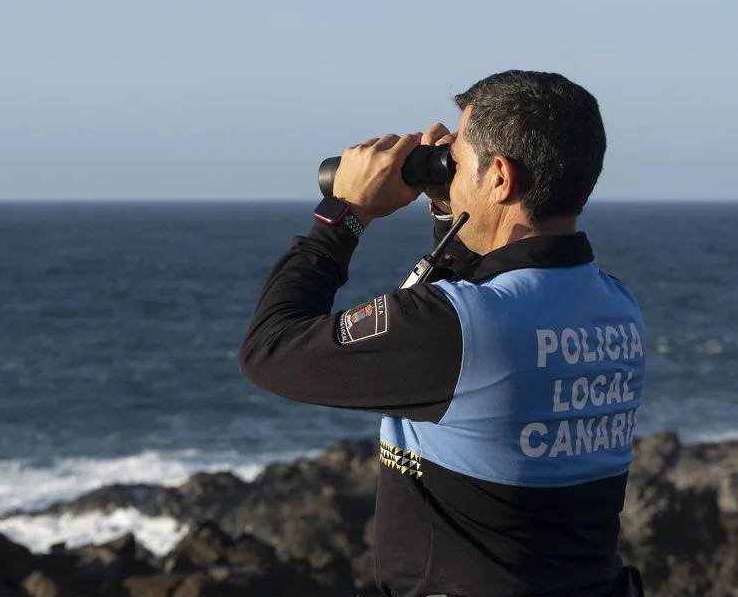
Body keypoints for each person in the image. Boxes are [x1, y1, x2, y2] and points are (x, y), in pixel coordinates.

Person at [238, 70, 646, 597]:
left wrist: (343, 216)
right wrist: (451, 204)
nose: (449, 169)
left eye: (458, 161)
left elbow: (270, 351)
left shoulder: (458, 328)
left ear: (499, 177)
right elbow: (481, 296)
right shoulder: (616, 307)